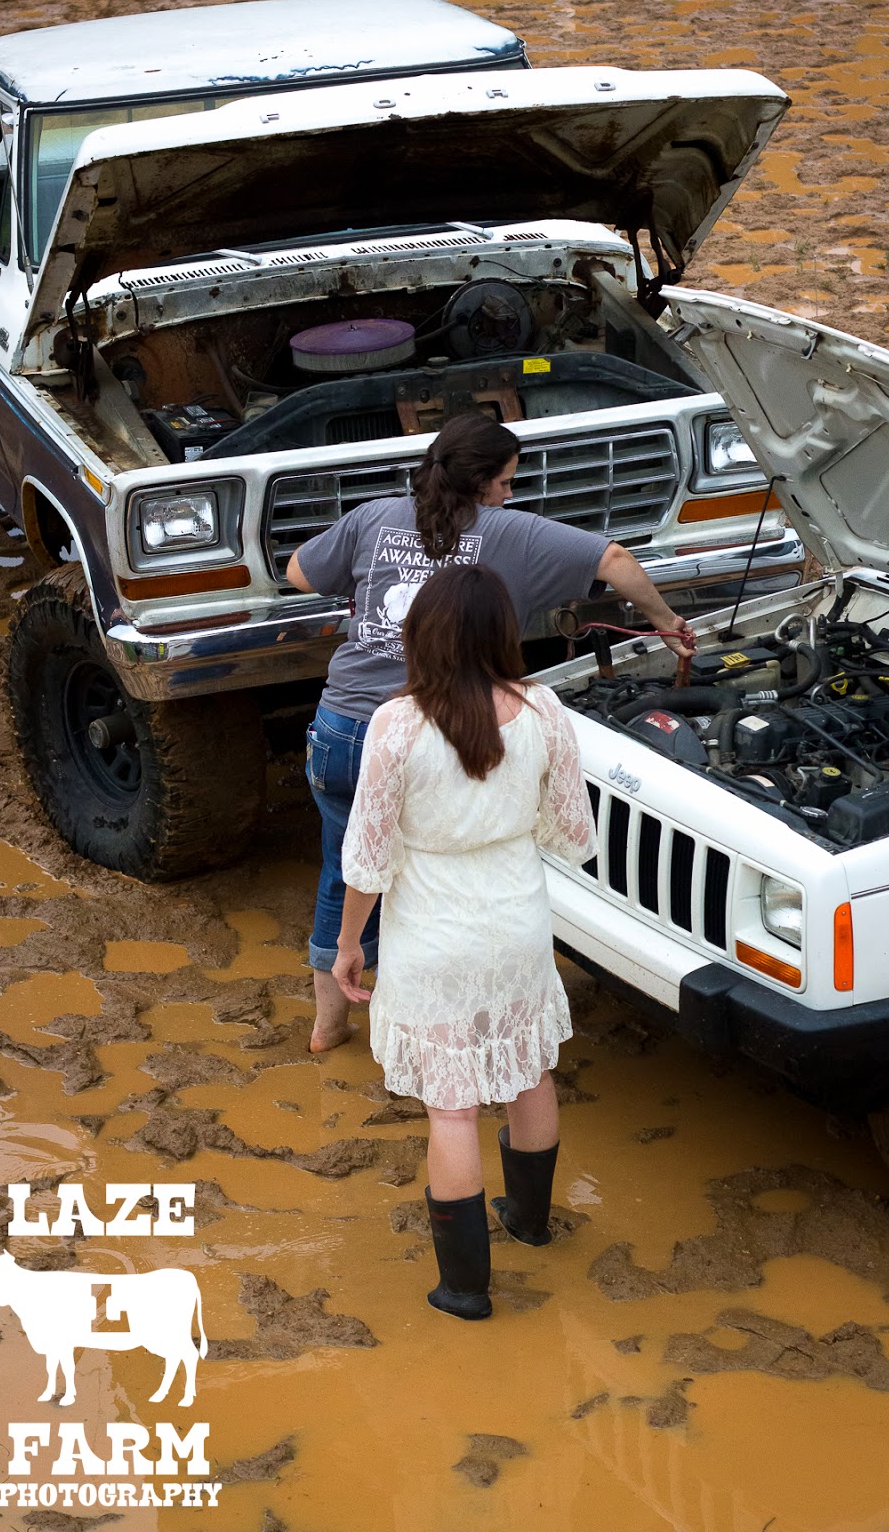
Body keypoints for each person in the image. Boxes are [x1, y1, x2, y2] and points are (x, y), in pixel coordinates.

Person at [286, 411, 695, 1055]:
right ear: (480, 482)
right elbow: (615, 561)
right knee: (439, 875)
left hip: (344, 727)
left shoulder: (372, 517)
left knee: (346, 868)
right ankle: (448, 1030)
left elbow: (299, 573)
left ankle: (329, 1027)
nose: (510, 492)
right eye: (506, 481)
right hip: (436, 735)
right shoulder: (513, 533)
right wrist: (666, 622)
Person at [332, 564, 596, 1320]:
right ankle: (531, 1223)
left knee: (451, 1109)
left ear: (423, 636)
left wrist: (349, 944)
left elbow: (368, 860)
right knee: (528, 1070)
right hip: (517, 925)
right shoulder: (544, 709)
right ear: (504, 632)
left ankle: (465, 1289)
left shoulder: (398, 724)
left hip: (433, 935)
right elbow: (573, 836)